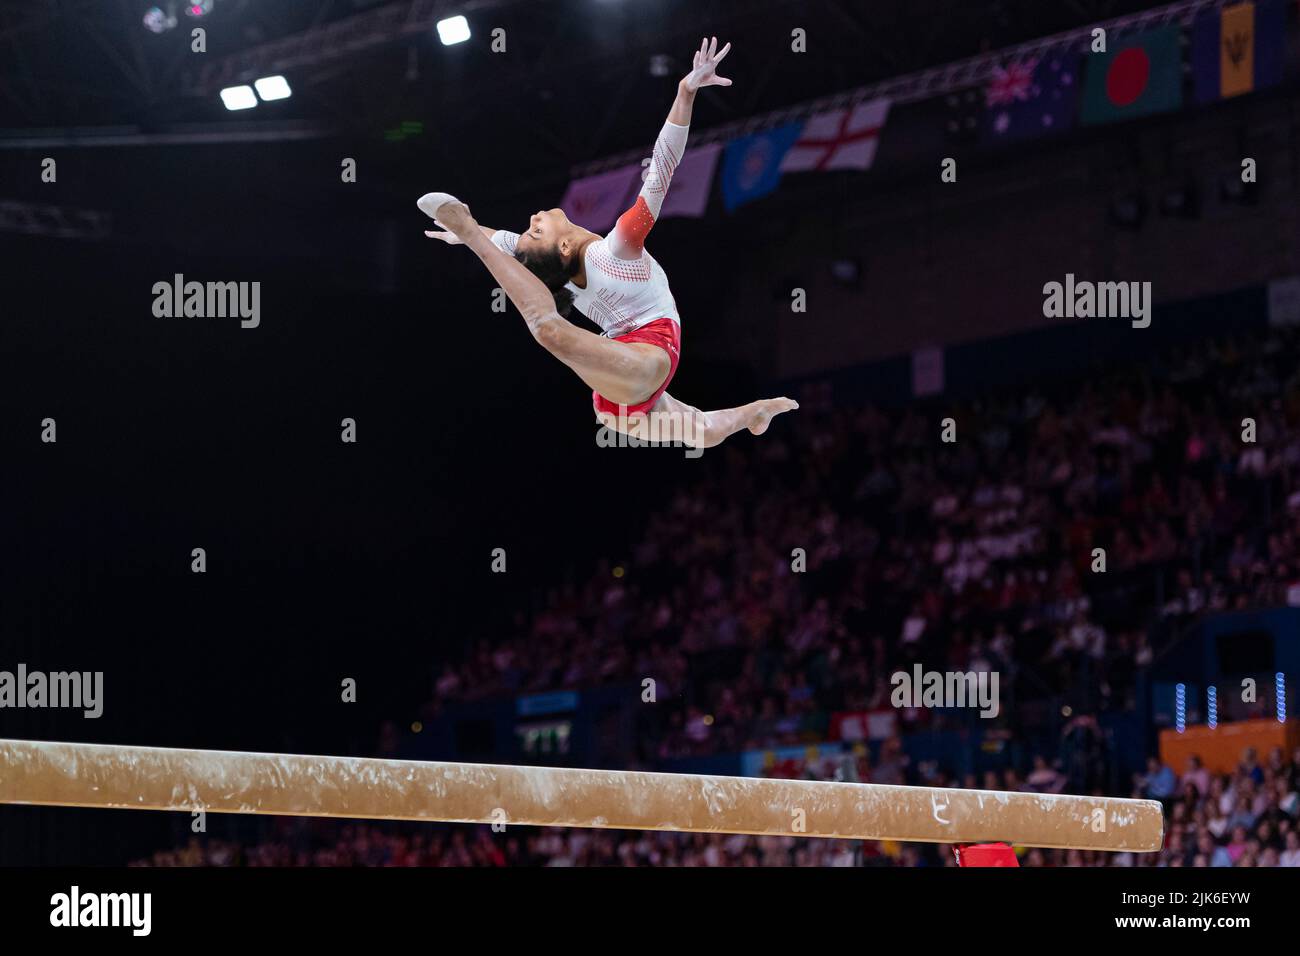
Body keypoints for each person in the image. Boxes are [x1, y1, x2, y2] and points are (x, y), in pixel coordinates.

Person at [418, 38, 797, 450]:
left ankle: (750, 412)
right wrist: (684, 95)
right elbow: (662, 168)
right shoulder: (617, 248)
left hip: (633, 369)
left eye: (530, 229)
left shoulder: (572, 263)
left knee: (550, 331)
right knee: (698, 431)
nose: (532, 220)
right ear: (563, 249)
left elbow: (506, 241)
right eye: (537, 230)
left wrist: (472, 234)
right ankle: (748, 414)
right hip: (633, 369)